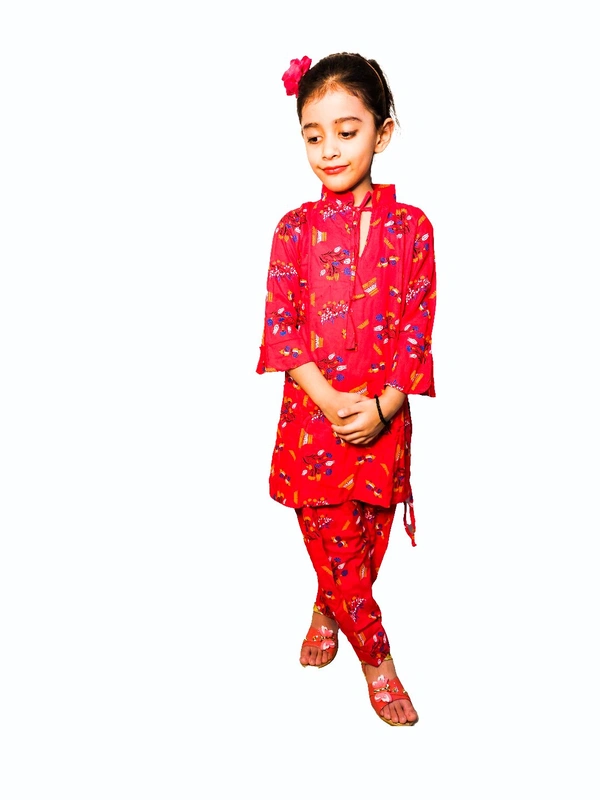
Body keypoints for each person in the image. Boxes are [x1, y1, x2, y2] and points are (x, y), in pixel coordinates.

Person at [256, 52, 436, 726]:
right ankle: (378, 661)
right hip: (314, 424)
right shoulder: (292, 230)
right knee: (336, 545)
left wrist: (385, 407)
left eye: (346, 131)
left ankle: (326, 606)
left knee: (364, 547)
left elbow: (417, 327)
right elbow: (281, 329)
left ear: (382, 133)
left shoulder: (413, 228)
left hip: (386, 421)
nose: (329, 149)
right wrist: (332, 403)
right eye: (313, 135)